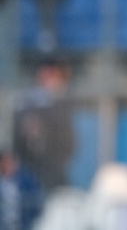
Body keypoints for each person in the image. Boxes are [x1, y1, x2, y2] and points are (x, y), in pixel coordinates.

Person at [12, 59, 75, 194]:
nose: (46, 79)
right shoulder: (25, 102)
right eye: (43, 75)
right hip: (30, 168)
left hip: (55, 169)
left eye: (51, 75)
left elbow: (68, 143)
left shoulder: (65, 103)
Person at [0, 151, 43, 230]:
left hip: (22, 224)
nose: (7, 165)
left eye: (10, 162)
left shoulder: (26, 180)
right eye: (4, 162)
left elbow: (36, 200)